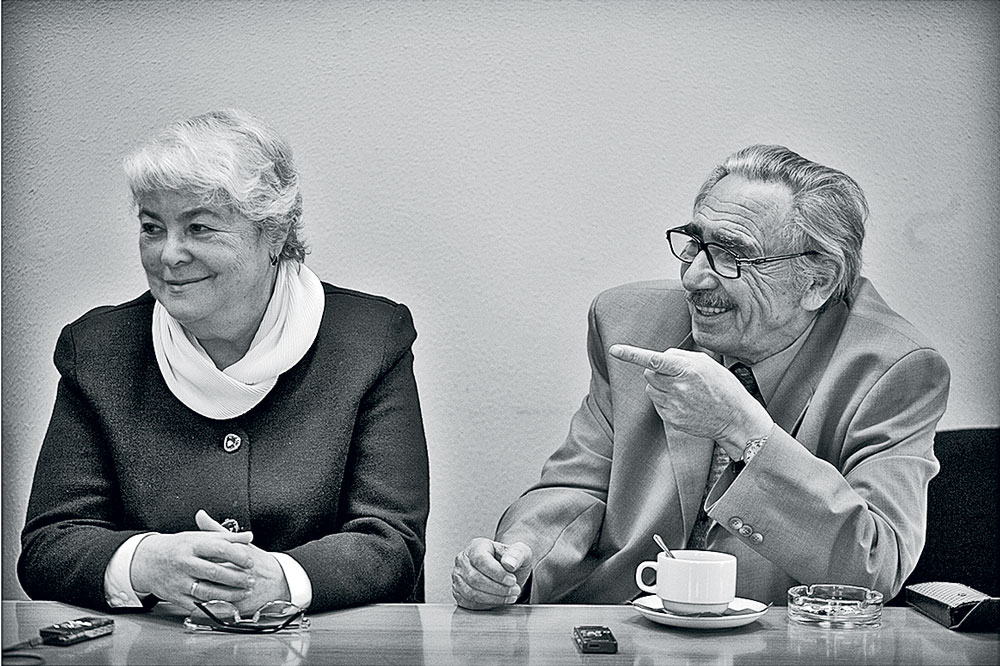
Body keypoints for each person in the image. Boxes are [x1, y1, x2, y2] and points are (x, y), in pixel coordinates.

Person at [452, 144, 950, 609]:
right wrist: (518, 558)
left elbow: (874, 566)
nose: (693, 278)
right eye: (695, 244)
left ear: (816, 281)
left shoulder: (895, 370)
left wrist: (746, 432)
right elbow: (582, 488)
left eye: (732, 255)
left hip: (777, 643)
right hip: (627, 631)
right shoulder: (628, 323)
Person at [18, 109, 430, 615]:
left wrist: (275, 578)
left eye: (199, 227)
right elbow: (47, 544)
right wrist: (145, 561)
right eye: (152, 227)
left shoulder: (369, 338)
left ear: (273, 234)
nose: (169, 254)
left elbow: (391, 542)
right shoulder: (98, 350)